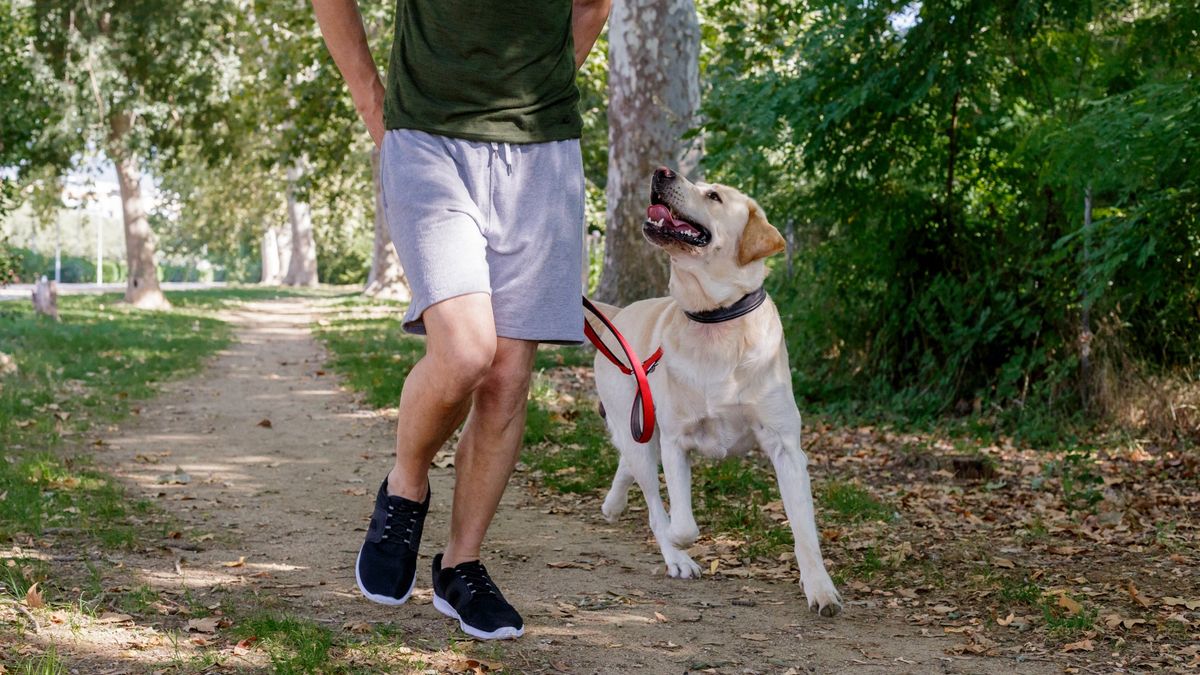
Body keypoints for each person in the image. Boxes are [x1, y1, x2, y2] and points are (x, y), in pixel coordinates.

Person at [311, 0, 612, 640]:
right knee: (467, 350)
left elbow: (592, 6)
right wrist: (372, 101)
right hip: (427, 136)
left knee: (506, 377)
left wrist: (530, 104)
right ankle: (405, 487)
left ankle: (460, 565)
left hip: (542, 151)